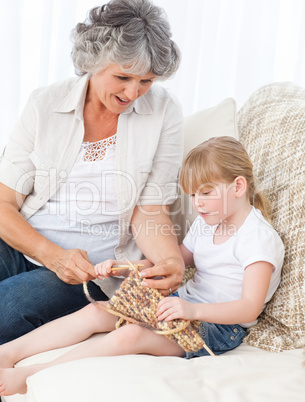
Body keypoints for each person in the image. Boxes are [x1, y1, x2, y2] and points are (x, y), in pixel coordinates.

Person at [0, 136, 285, 396]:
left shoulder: (257, 240)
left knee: (132, 334)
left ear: (238, 186)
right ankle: (8, 353)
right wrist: (125, 268)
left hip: (219, 327)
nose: (198, 203)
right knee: (98, 311)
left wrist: (191, 310)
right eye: (193, 195)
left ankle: (30, 375)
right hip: (179, 305)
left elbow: (249, 307)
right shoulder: (207, 223)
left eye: (206, 193)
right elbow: (172, 262)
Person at [0, 0, 185, 345]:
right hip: (25, 244)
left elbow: (149, 208)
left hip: (90, 274)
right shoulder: (44, 104)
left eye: (146, 80)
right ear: (93, 62)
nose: (133, 93)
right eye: (122, 77)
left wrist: (169, 260)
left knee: (7, 308)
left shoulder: (164, 112)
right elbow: (4, 202)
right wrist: (52, 255)